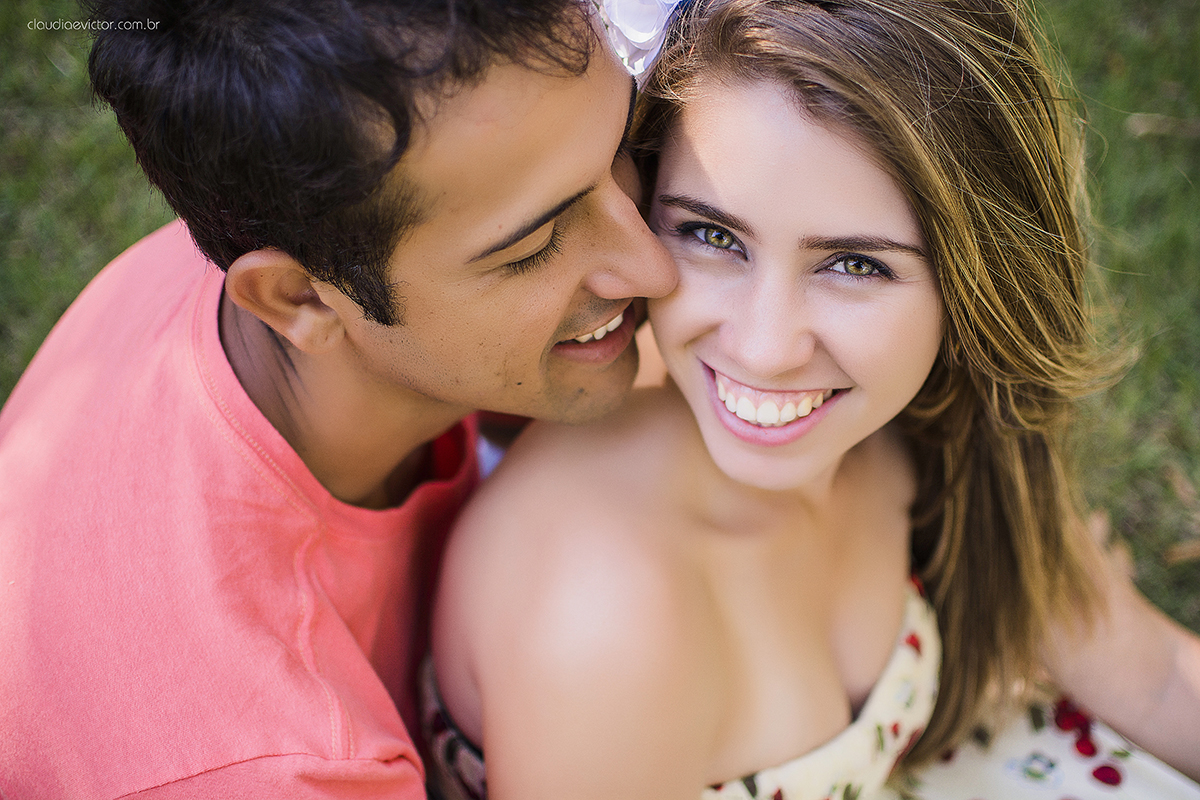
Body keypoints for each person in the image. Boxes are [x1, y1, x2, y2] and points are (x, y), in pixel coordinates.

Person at [423, 0, 1200, 797]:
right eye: (713, 236)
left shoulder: (933, 428)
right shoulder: (605, 624)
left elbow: (1143, 671)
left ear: (978, 284)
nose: (763, 348)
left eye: (855, 265)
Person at [0, 0, 677, 796]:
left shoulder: (298, 219)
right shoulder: (287, 762)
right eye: (531, 248)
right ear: (301, 300)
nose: (655, 268)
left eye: (627, 145)